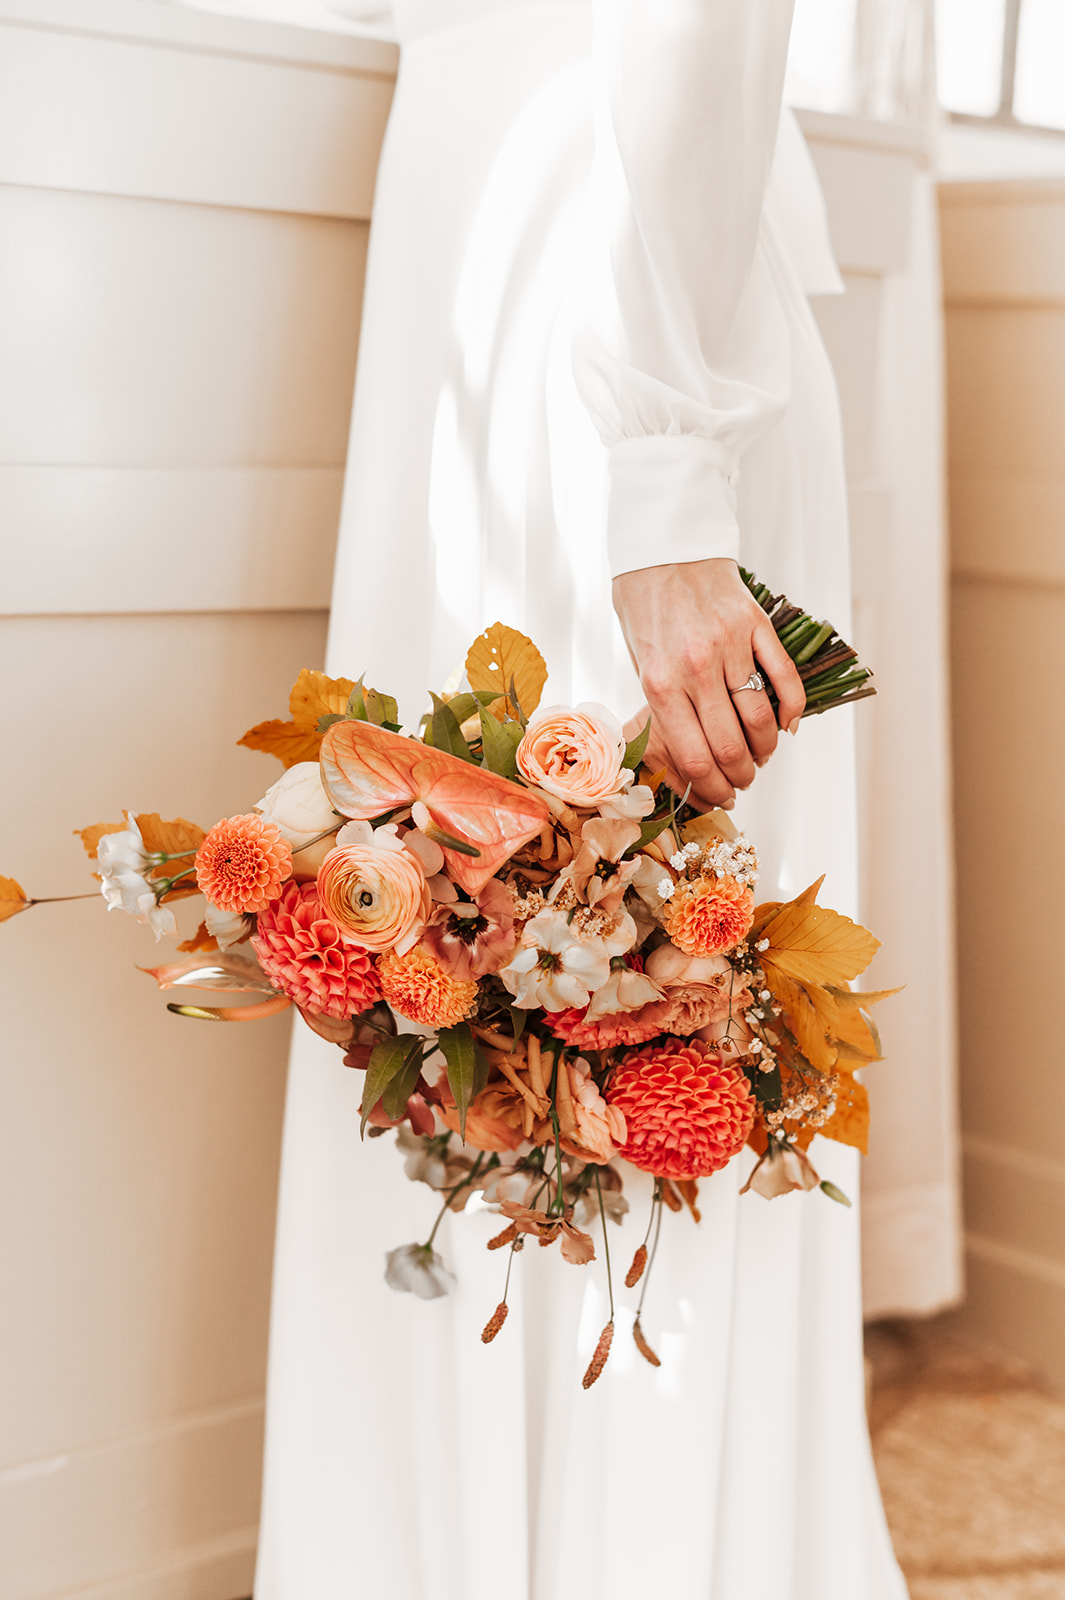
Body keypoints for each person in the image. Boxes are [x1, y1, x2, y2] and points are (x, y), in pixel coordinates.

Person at [254, 1, 908, 1595]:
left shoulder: (633, 409)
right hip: (511, 276)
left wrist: (660, 471)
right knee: (456, 972)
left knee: (643, 999)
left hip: (620, 327)